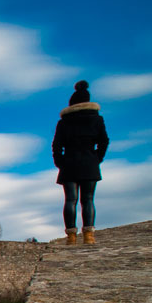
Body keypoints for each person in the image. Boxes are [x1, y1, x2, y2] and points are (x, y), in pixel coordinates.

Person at [52, 80, 109, 244]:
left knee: (70, 199)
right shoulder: (97, 119)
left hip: (69, 163)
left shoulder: (63, 123)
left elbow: (56, 145)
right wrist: (97, 158)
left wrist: (60, 162)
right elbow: (104, 141)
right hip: (90, 162)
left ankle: (71, 236)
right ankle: (89, 235)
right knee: (88, 199)